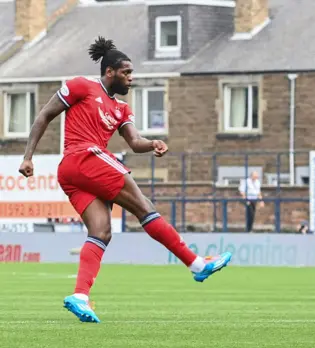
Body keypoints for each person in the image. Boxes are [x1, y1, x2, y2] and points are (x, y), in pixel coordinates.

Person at [17, 37, 232, 323]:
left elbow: (134, 142)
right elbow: (45, 115)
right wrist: (28, 156)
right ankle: (195, 263)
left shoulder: (121, 109)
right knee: (144, 205)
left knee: (102, 231)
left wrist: (152, 143)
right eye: (127, 73)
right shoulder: (81, 86)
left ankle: (80, 295)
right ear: (110, 72)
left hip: (76, 173)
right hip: (84, 157)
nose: (131, 78)